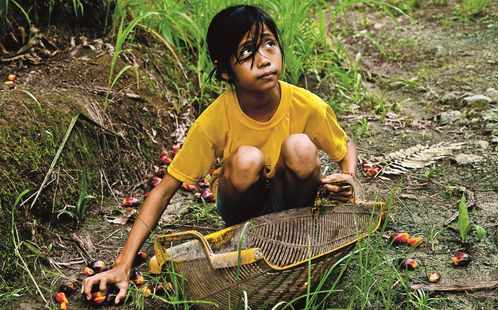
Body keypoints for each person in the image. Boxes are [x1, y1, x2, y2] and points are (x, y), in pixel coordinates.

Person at [82, 4, 357, 303]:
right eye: (248, 51)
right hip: (242, 215)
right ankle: (248, 242)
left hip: (292, 207)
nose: (264, 59)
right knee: (245, 158)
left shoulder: (307, 105)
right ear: (225, 70)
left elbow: (344, 147)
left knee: (301, 146)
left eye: (269, 44)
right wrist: (122, 265)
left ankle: (295, 235)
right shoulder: (214, 120)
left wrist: (347, 176)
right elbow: (163, 191)